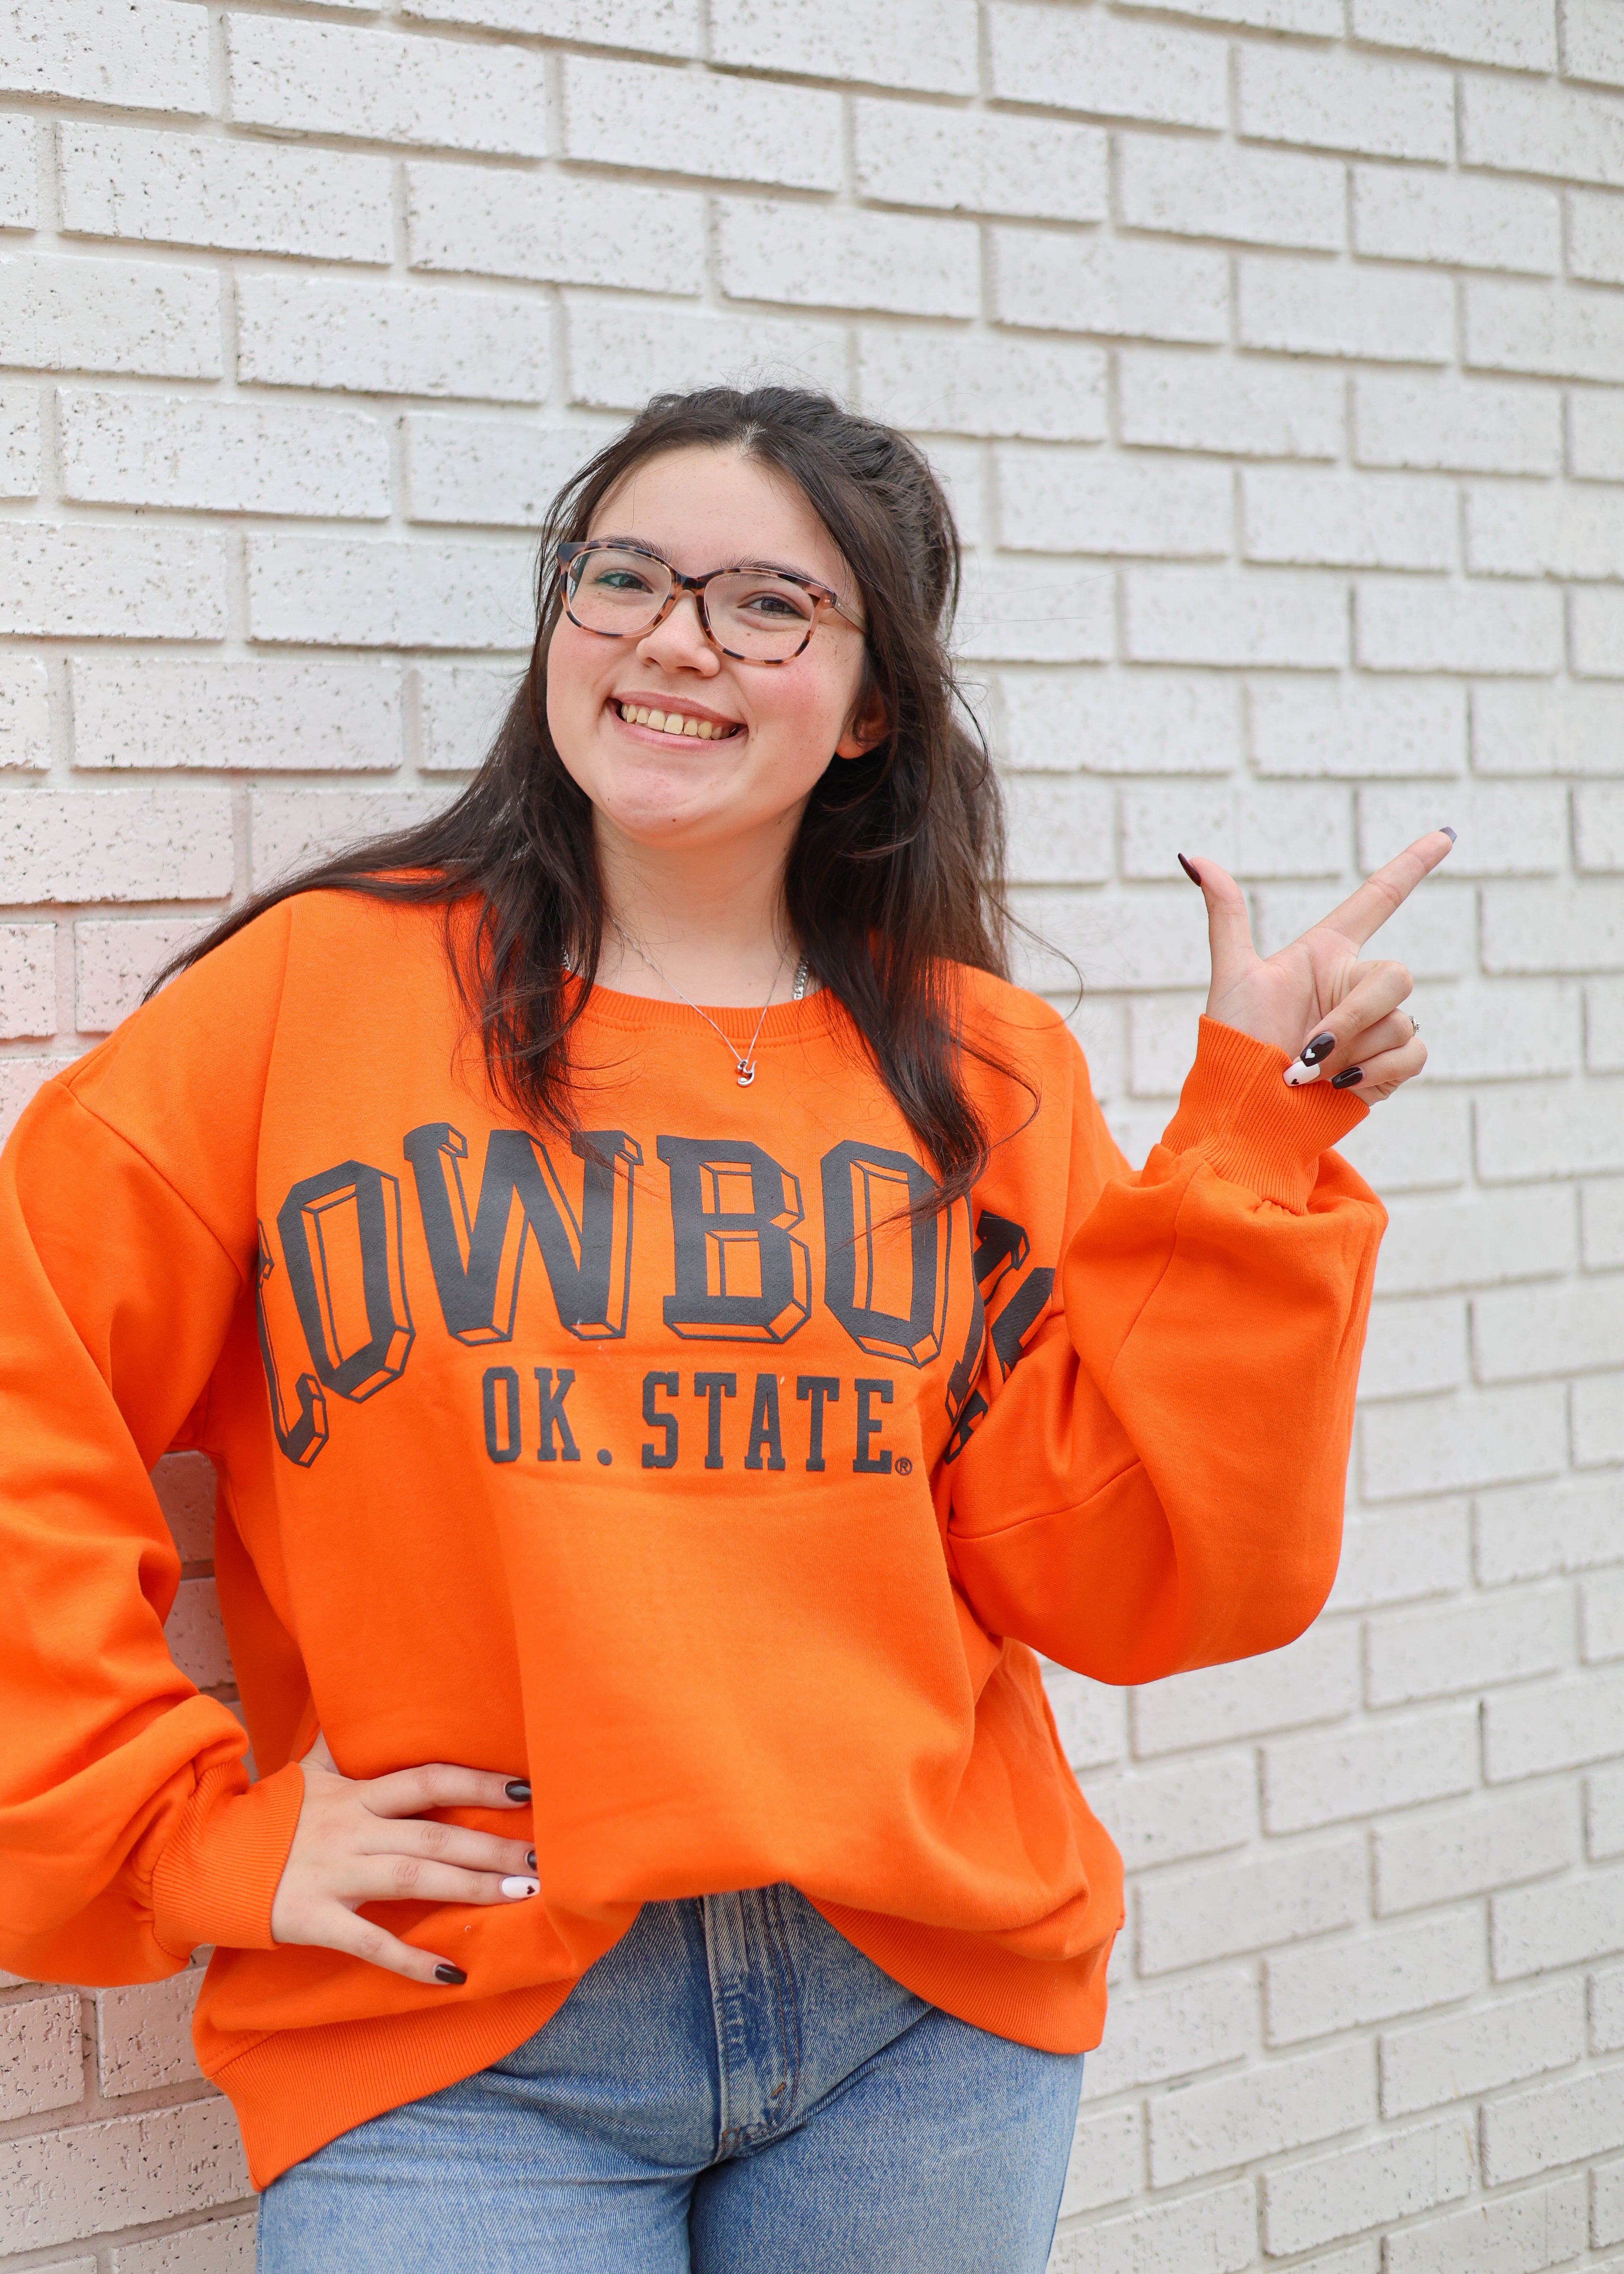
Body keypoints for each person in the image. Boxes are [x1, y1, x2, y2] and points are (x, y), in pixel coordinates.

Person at [0, 387, 1448, 2273]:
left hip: (919, 2006)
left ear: (868, 712)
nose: (676, 638)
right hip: (460, 2031)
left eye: (771, 603)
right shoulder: (310, 1001)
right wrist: (177, 1832)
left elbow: (1124, 1576)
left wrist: (1250, 1151)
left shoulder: (985, 1072)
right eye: (625, 578)